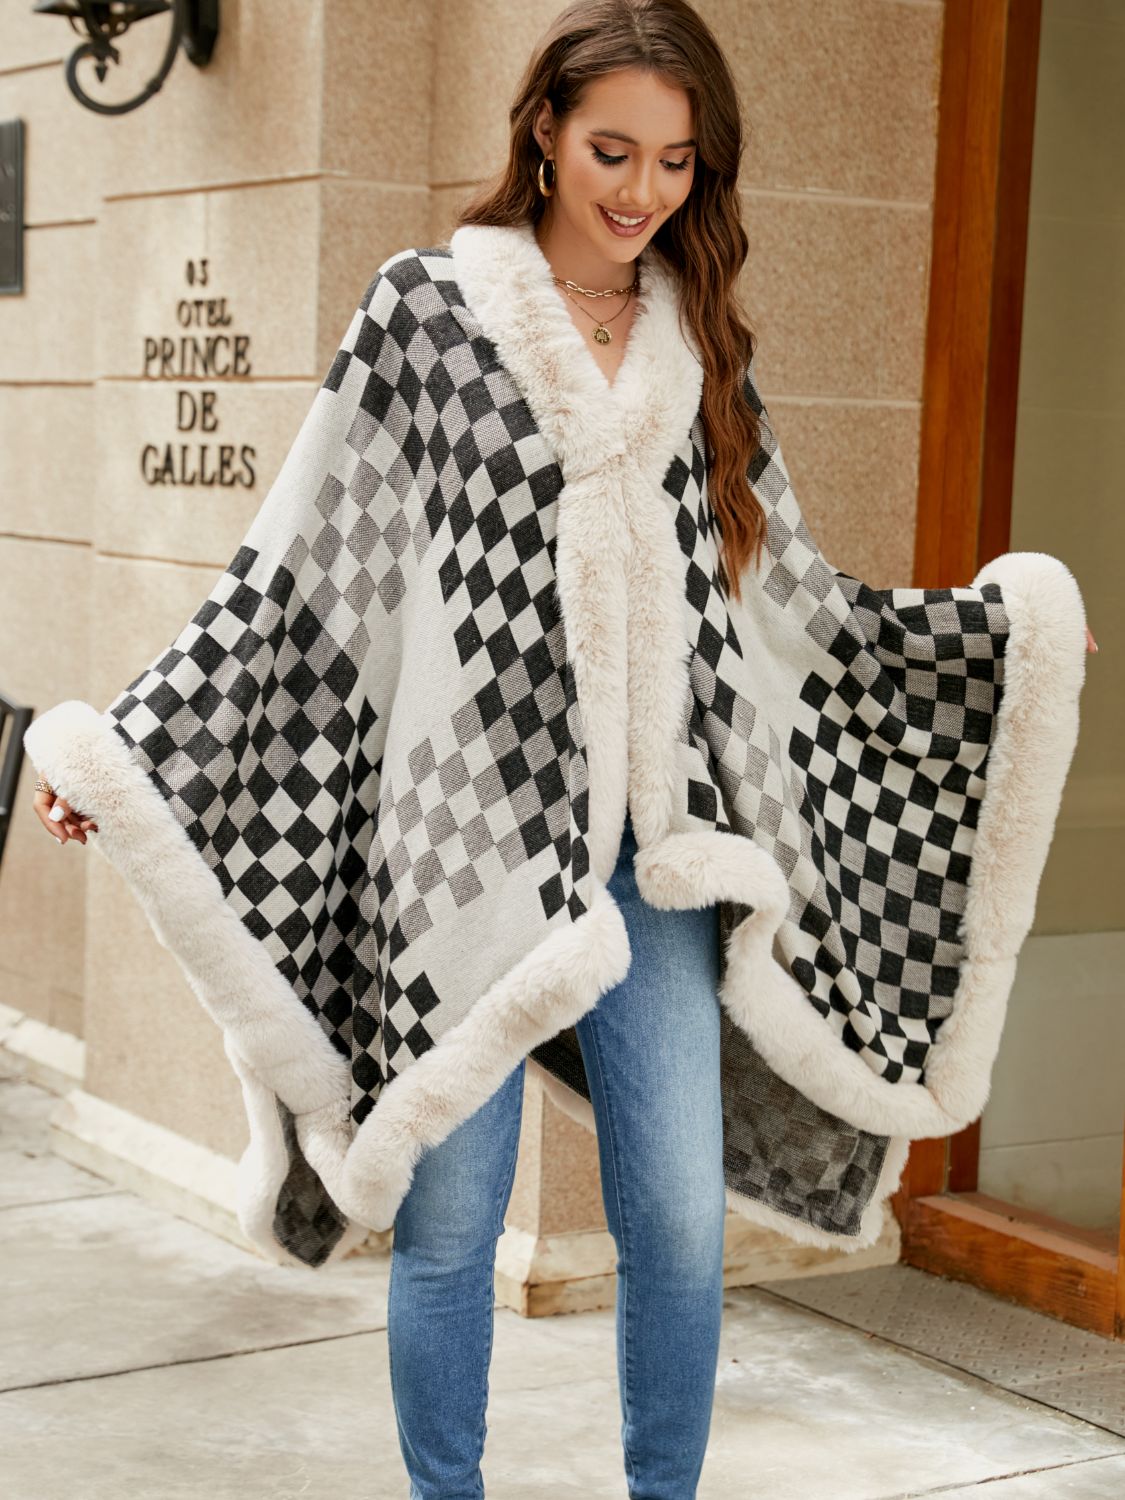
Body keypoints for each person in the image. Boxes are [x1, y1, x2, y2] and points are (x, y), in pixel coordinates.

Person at [28, 3, 1097, 1498]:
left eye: (675, 160)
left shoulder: (696, 343)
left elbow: (791, 600)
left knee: (676, 1223)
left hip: (655, 858)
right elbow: (300, 571)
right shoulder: (426, 313)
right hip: (460, 843)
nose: (642, 189)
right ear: (542, 130)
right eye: (612, 150)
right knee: (451, 1227)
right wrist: (132, 755)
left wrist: (1003, 647)